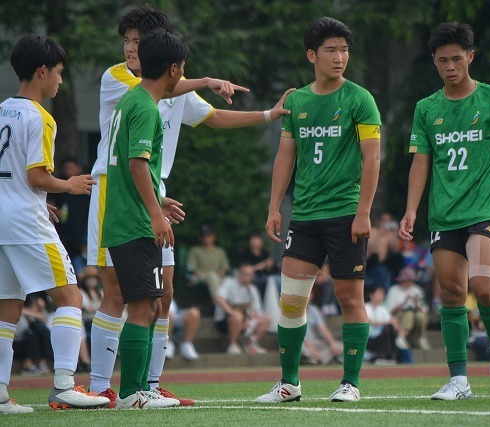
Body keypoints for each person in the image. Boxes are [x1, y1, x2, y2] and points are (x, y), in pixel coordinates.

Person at [86, 4, 293, 407]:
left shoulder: (166, 86)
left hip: (153, 191)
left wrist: (270, 114)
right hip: (118, 191)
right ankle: (100, 387)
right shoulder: (119, 81)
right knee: (118, 292)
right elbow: (157, 98)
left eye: (138, 41)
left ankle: (149, 384)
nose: (130, 48)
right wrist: (207, 78)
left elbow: (212, 117)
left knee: (162, 291)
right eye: (126, 40)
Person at [399, 22, 490, 401]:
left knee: (484, 287)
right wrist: (410, 211)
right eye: (443, 61)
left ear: (470, 57)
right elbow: (421, 163)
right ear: (435, 63)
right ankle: (459, 380)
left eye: (457, 58)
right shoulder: (426, 108)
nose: (450, 67)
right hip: (443, 216)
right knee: (453, 295)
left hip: (484, 211)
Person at [255, 17, 381, 404]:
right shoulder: (296, 101)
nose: (339, 57)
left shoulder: (360, 99)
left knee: (349, 299)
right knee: (291, 299)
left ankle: (351, 383)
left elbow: (373, 158)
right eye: (330, 50)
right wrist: (275, 206)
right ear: (312, 55)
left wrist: (364, 212)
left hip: (346, 213)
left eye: (344, 50)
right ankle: (289, 383)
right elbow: (285, 156)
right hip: (305, 216)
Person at [0, 34, 110, 414]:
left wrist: (36, 198)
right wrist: (69, 185)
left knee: (8, 305)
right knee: (70, 296)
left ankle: (0, 394)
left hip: (2, 219)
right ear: (42, 71)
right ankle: (64, 385)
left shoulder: (1, 110)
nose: (61, 81)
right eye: (59, 73)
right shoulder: (40, 117)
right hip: (25, 222)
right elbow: (35, 175)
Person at [100, 29, 190, 410]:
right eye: (183, 70)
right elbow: (137, 164)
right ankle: (132, 394)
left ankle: (138, 390)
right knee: (142, 306)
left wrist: (160, 197)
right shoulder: (147, 107)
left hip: (127, 215)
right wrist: (156, 215)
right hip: (134, 222)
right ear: (173, 69)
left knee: (149, 304)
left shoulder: (132, 99)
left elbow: (130, 166)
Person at [214, 264, 271, 355]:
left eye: (250, 275)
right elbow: (219, 298)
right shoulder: (229, 283)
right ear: (239, 274)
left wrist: (250, 317)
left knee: (267, 319)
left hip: (245, 321)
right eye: (245, 274)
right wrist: (231, 311)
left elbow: (256, 309)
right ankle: (232, 345)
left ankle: (251, 345)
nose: (247, 277)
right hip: (225, 321)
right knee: (237, 316)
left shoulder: (252, 289)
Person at [386, 266, 430, 350]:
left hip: (414, 314)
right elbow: (390, 311)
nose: (409, 283)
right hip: (398, 316)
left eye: (411, 281)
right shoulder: (393, 290)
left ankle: (420, 338)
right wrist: (404, 302)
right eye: (407, 281)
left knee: (420, 316)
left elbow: (424, 310)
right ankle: (401, 337)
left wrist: (416, 304)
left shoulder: (417, 290)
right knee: (408, 314)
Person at [187, 225, 231, 304]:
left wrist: (222, 272)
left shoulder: (219, 251)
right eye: (203, 236)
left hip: (217, 276)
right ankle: (219, 305)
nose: (205, 239)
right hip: (199, 277)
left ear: (213, 237)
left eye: (208, 236)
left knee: (229, 280)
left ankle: (231, 304)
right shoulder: (195, 250)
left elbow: (224, 267)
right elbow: (191, 267)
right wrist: (198, 272)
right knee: (212, 277)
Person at [365, 286, 399, 364]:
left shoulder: (383, 309)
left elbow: (391, 320)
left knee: (391, 329)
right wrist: (387, 322)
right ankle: (381, 355)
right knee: (387, 328)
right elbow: (371, 322)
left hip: (381, 336)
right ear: (371, 295)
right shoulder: (365, 307)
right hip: (369, 338)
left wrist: (394, 324)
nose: (380, 297)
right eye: (378, 294)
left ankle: (388, 356)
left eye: (382, 295)